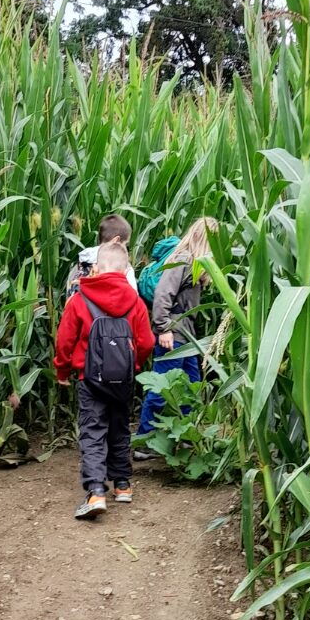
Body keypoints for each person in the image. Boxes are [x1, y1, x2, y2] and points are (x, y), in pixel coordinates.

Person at [55, 241, 154, 520]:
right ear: (125, 272)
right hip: (122, 379)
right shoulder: (135, 302)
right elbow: (146, 342)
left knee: (93, 432)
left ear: (96, 268)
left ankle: (96, 491)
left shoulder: (79, 299)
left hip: (90, 379)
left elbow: (64, 340)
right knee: (120, 429)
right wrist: (132, 365)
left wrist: (62, 371)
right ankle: (122, 486)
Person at [135, 217, 218, 448]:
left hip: (186, 336)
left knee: (192, 384)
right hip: (172, 334)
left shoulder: (195, 264)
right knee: (161, 388)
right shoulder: (183, 260)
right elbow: (163, 293)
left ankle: (185, 436)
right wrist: (163, 328)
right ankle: (144, 441)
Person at [66, 212, 137, 297]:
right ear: (116, 241)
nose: (126, 249)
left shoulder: (80, 264)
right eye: (125, 244)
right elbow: (133, 299)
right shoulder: (124, 268)